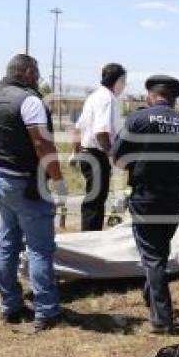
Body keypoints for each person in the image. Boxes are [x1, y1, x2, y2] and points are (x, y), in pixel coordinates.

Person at [0, 54, 67, 331]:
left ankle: (10, 305)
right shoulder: (29, 101)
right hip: (27, 184)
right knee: (40, 249)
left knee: (7, 245)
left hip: (1, 179)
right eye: (37, 73)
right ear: (28, 72)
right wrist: (58, 180)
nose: (39, 79)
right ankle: (47, 310)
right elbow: (42, 145)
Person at [111, 75, 179, 334]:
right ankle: (150, 295)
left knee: (152, 257)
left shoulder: (137, 120)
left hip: (146, 197)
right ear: (173, 98)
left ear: (151, 96)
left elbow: (117, 160)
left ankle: (162, 319)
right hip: (176, 199)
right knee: (158, 252)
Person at [72, 63, 126, 231]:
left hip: (87, 154)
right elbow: (101, 132)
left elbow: (77, 128)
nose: (124, 86)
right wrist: (112, 155)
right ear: (118, 81)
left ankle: (87, 236)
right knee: (95, 202)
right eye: (124, 82)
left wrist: (76, 152)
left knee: (92, 200)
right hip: (96, 155)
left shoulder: (93, 96)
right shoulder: (107, 99)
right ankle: (90, 239)